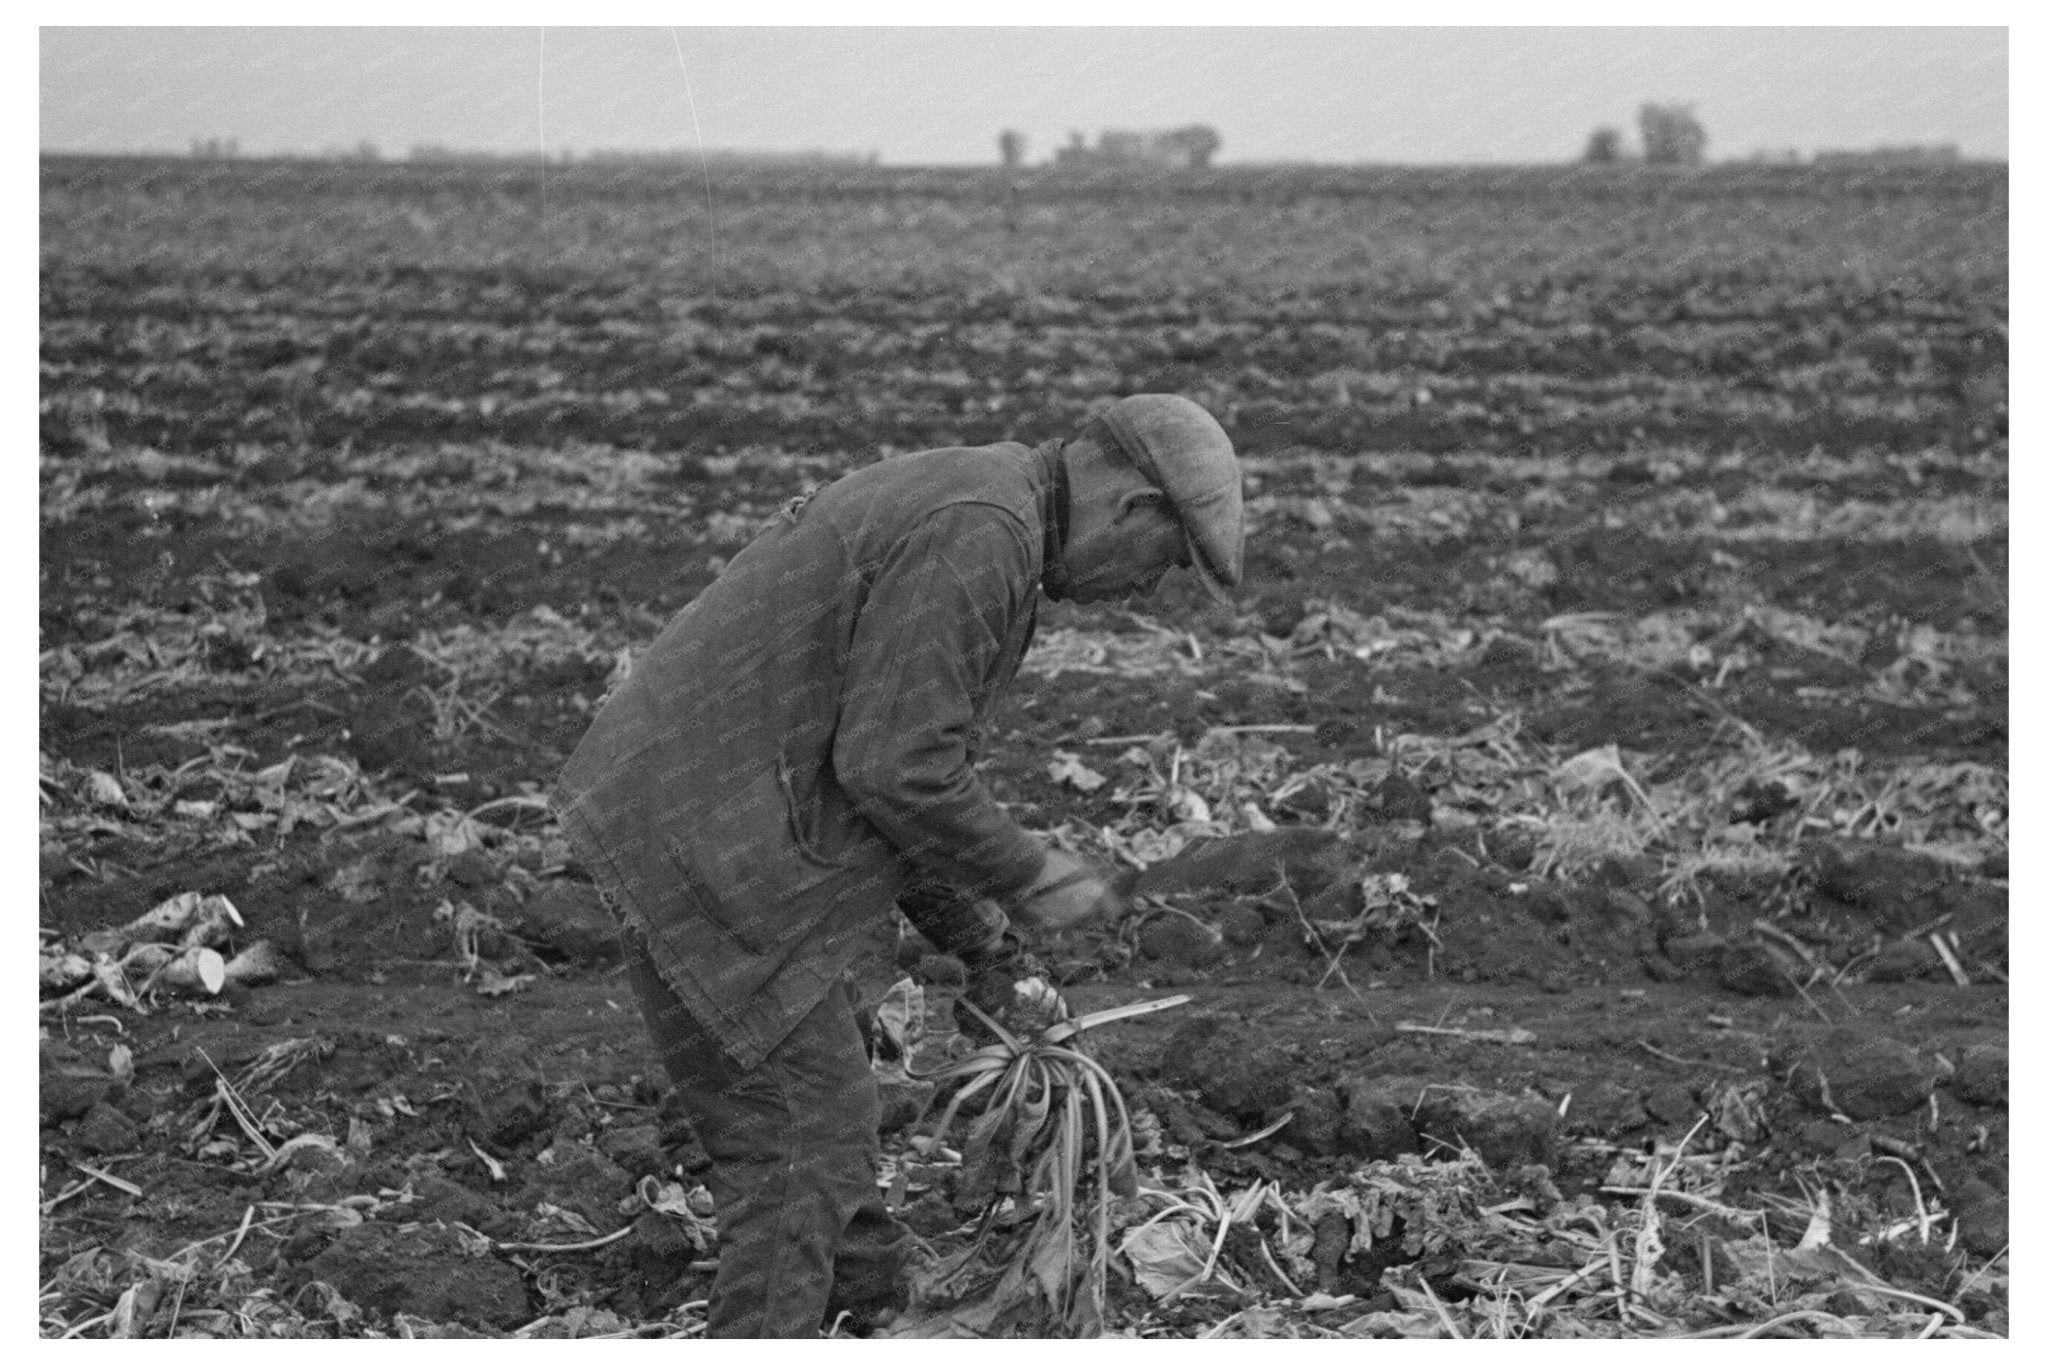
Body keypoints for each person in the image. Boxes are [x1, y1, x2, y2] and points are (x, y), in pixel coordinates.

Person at [552, 394, 1244, 1337]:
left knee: (821, 1109)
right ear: (1132, 508)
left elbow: (888, 771)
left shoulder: (987, 506)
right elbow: (895, 767)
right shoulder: (982, 532)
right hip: (712, 836)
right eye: (1165, 562)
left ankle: (865, 1304)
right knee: (802, 1136)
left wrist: (988, 949)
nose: (1147, 589)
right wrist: (1034, 876)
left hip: (718, 818)